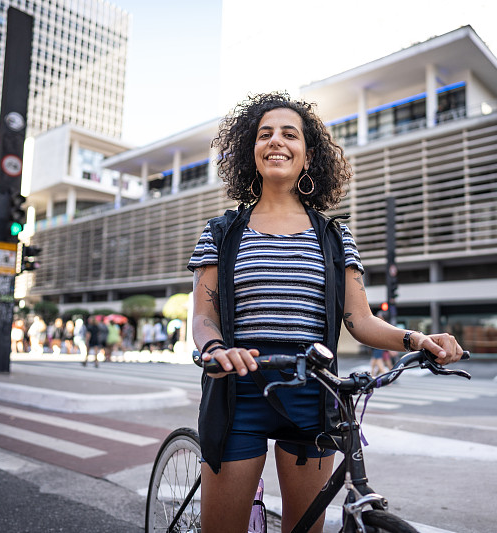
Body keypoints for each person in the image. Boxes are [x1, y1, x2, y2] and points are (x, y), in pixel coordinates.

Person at [188, 92, 464, 533]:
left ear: (308, 154)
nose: (276, 141)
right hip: (237, 392)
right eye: (265, 134)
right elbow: (202, 318)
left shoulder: (335, 237)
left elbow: (361, 321)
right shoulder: (222, 232)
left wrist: (417, 341)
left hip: (314, 396)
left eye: (289, 134)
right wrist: (216, 349)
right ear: (251, 151)